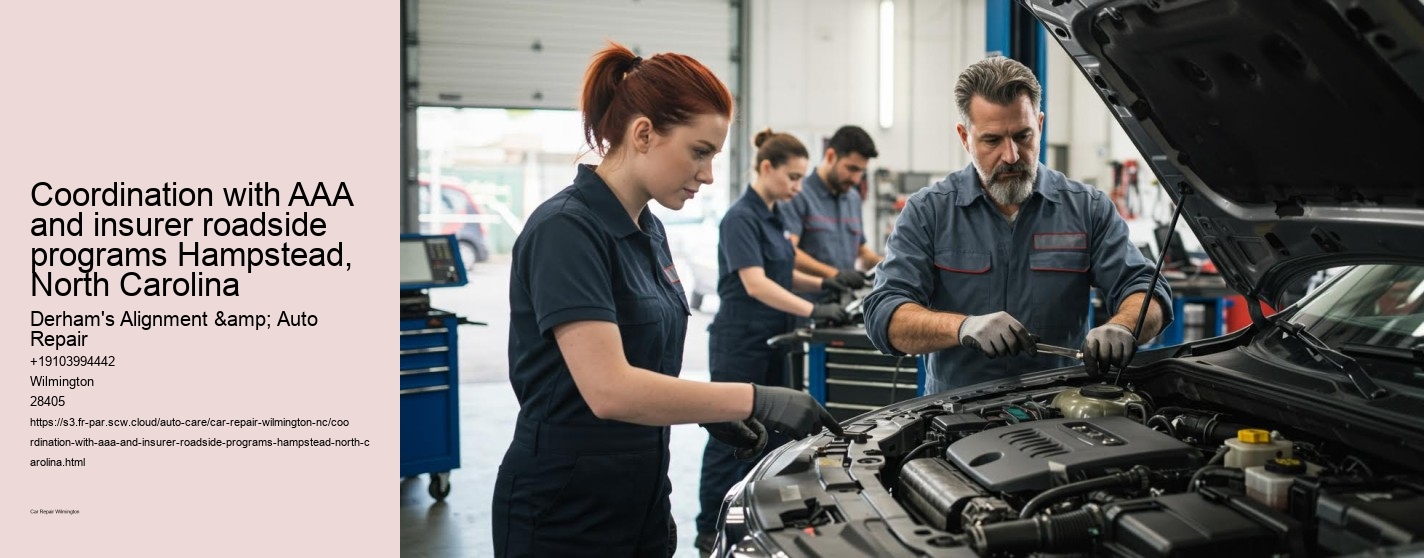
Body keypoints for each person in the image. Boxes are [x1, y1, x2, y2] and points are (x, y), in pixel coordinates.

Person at [491, 44, 843, 558]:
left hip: (642, 496)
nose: (708, 174)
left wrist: (701, 411)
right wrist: (752, 398)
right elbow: (608, 389)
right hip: (564, 508)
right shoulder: (567, 230)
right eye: (699, 152)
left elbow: (641, 358)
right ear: (643, 134)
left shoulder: (648, 229)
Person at [861, 56, 1173, 393]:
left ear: (1039, 124)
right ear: (965, 137)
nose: (1011, 156)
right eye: (992, 141)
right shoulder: (928, 212)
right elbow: (885, 315)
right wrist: (962, 327)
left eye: (1023, 136)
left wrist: (1125, 326)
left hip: (1061, 409)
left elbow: (1147, 289)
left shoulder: (1087, 207)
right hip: (955, 417)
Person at [694, 129, 851, 553]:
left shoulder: (777, 215)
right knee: (731, 436)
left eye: (802, 179)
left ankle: (759, 520)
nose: (799, 187)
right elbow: (757, 283)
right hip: (740, 341)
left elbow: (783, 272)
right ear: (766, 168)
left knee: (775, 433)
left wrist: (829, 280)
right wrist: (813, 309)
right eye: (793, 177)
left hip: (772, 340)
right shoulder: (741, 218)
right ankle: (708, 528)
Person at [779, 125, 884, 299]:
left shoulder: (853, 198)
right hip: (805, 307)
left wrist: (890, 264)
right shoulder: (798, 194)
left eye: (861, 172)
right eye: (851, 169)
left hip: (842, 306)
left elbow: (862, 253)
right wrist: (835, 274)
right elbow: (789, 253)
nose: (856, 179)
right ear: (830, 156)